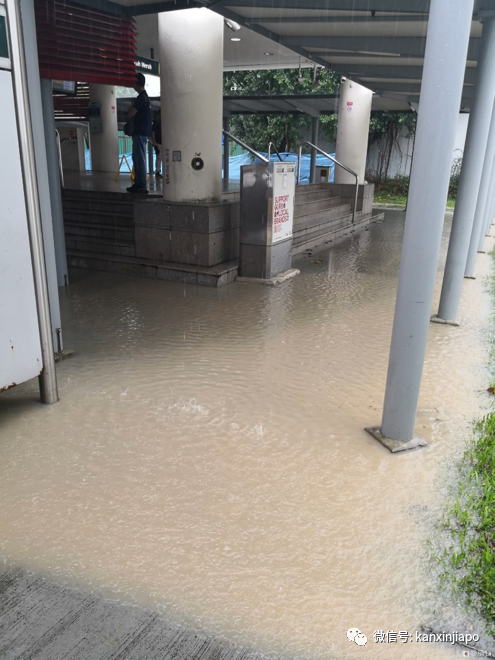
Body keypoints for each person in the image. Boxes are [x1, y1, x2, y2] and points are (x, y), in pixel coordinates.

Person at [127, 72, 152, 194]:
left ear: (136, 83)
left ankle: (141, 184)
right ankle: (138, 183)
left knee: (139, 158)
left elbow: (132, 112)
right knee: (137, 158)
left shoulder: (141, 98)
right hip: (142, 132)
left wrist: (129, 109)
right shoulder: (145, 97)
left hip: (140, 132)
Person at [152, 112, 162, 178]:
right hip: (159, 142)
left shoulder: (157, 122)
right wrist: (154, 142)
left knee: (159, 158)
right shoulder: (157, 122)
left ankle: (158, 171)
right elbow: (153, 132)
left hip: (160, 142)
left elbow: (153, 132)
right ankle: (157, 171)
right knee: (159, 157)